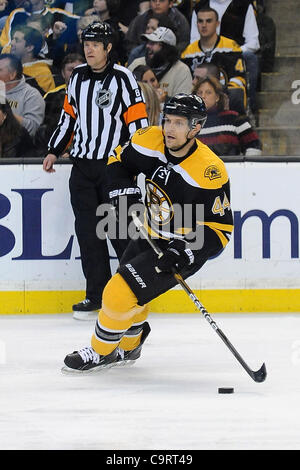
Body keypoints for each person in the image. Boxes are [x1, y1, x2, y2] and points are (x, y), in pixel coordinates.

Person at [62, 92, 234, 373]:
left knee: (117, 294)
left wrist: (184, 252)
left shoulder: (209, 171)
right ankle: (130, 346)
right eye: (167, 120)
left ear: (196, 127)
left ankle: (100, 351)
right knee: (131, 290)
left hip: (181, 247)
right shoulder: (148, 139)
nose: (169, 128)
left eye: (179, 123)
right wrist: (124, 191)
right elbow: (118, 159)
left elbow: (220, 230)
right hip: (148, 233)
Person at [43, 21, 149, 321]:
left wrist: (137, 163)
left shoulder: (124, 78)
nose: (89, 48)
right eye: (86, 43)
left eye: (95, 44)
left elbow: (138, 124)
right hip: (83, 168)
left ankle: (132, 294)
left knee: (121, 234)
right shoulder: (76, 77)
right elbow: (68, 119)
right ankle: (96, 294)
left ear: (108, 48)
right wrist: (53, 149)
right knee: (88, 234)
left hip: (114, 168)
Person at [189, 0, 260, 112]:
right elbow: (194, 40)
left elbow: (253, 43)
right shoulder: (200, 7)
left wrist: (229, 52)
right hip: (204, 54)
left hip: (234, 57)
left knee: (250, 57)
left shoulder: (244, 5)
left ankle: (249, 106)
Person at [181, 7, 247, 110]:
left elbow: (238, 80)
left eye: (209, 21)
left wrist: (217, 94)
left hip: (226, 102)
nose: (204, 25)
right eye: (200, 21)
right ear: (196, 24)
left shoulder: (231, 48)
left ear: (217, 23)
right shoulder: (187, 53)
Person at [194, 75, 262, 156]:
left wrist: (246, 165)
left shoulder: (234, 118)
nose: (203, 96)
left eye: (208, 92)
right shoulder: (190, 122)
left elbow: (254, 145)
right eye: (199, 93)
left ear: (217, 97)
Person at [34, 52, 85, 157]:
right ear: (62, 73)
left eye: (79, 69)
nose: (75, 73)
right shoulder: (51, 96)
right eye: (70, 70)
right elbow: (46, 127)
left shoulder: (95, 95)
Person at [128, 26, 192, 98]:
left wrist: (165, 99)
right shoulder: (137, 63)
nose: (147, 46)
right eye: (148, 42)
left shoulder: (181, 70)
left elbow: (183, 103)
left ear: (166, 48)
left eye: (153, 43)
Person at [0, 53, 45, 136]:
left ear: (12, 75)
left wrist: (6, 115)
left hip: (14, 145)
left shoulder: (31, 95)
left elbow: (32, 129)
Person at [125, 0, 190, 54]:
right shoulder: (140, 19)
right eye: (154, 0)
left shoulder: (180, 20)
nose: (157, 3)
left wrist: (169, 53)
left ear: (170, 3)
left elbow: (184, 42)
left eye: (162, 1)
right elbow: (130, 42)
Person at [10, 25, 55, 93]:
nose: (11, 43)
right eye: (12, 39)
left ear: (29, 47)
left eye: (17, 40)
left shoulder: (43, 73)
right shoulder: (8, 65)